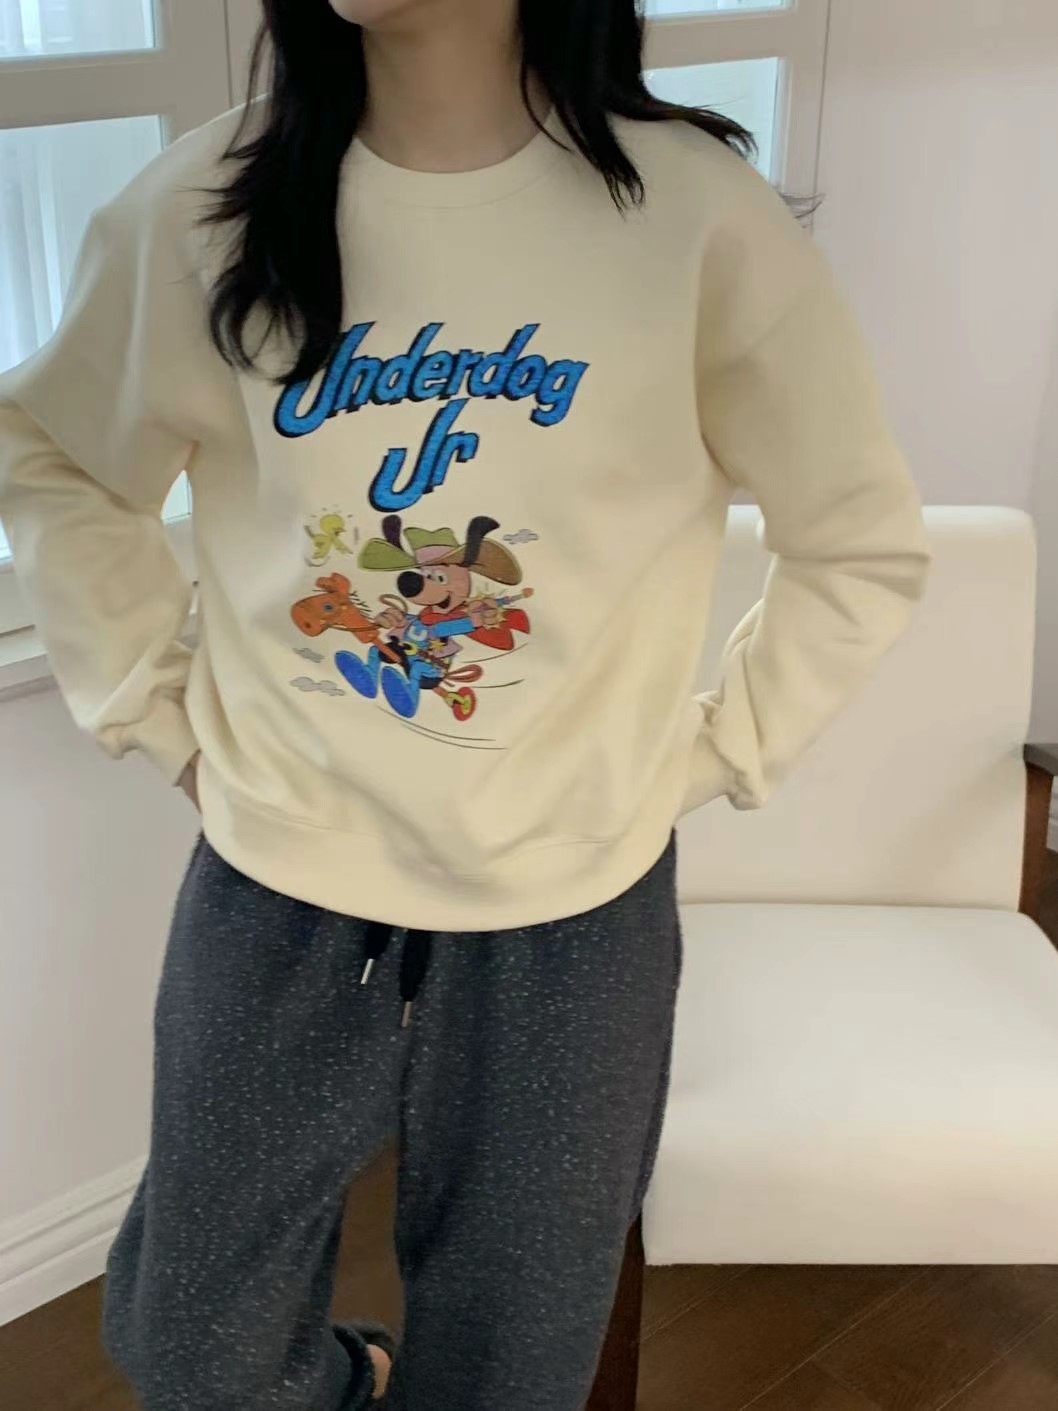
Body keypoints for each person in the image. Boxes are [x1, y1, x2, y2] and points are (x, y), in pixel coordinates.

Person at [0, 1, 933, 1407]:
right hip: (280, 873)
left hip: (577, 905)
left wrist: (707, 756)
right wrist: (161, 715)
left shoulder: (695, 220)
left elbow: (857, 543)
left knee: (516, 1360)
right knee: (197, 1345)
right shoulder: (202, 207)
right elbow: (59, 456)